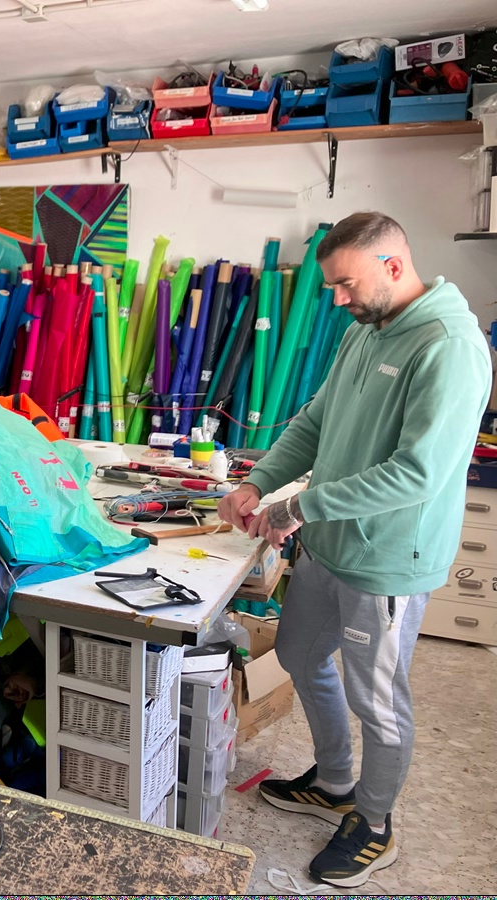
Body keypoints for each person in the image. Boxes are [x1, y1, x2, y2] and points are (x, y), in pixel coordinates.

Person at [217, 212, 491, 888]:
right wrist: (259, 482)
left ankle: (374, 822)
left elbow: (417, 474)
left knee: (380, 702)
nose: (337, 299)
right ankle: (336, 781)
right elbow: (315, 422)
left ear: (394, 265)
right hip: (334, 544)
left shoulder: (448, 345)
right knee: (299, 652)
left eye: (345, 284)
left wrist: (298, 505)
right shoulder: (366, 330)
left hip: (390, 561)